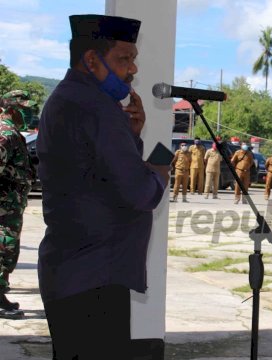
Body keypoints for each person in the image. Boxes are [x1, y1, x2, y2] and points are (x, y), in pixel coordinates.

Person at [37, 14, 169, 359]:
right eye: (124, 58)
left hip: (74, 271)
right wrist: (159, 169)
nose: (133, 69)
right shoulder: (96, 107)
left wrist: (131, 137)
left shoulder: (68, 99)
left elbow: (98, 176)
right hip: (94, 276)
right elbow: (139, 193)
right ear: (91, 60)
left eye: (133, 59)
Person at [0, 90, 37, 319]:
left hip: (10, 206)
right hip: (3, 207)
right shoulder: (5, 133)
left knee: (7, 249)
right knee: (4, 248)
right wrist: (18, 176)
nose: (28, 112)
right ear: (12, 108)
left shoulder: (13, 132)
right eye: (24, 108)